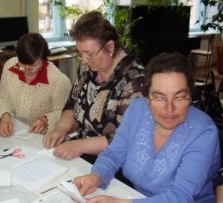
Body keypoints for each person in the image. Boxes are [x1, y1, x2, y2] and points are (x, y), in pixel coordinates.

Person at [73, 52, 220, 203]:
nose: (170, 108)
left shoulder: (203, 133)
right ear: (147, 98)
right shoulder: (138, 109)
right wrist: (96, 177)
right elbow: (113, 154)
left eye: (179, 97)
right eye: (159, 97)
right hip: (135, 196)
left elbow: (180, 197)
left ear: (190, 96)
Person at [43, 11, 145, 161]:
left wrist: (80, 145)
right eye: (80, 53)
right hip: (83, 153)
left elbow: (128, 137)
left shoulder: (134, 79)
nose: (83, 60)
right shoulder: (87, 68)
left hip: (114, 163)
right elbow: (73, 103)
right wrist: (62, 128)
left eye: (89, 54)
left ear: (110, 47)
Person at [0, 33, 72, 137]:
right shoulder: (10, 67)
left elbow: (65, 113)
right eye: (22, 64)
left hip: (45, 137)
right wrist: (4, 115)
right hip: (15, 131)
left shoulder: (59, 80)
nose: (26, 70)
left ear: (43, 59)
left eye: (32, 65)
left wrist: (45, 120)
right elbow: (2, 98)